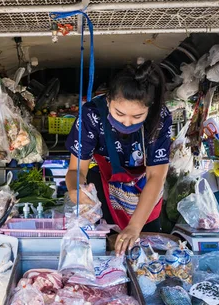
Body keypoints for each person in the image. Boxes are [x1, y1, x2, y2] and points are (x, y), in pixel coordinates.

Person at [64, 61, 172, 255]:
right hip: (107, 185)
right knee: (108, 245)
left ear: (150, 108)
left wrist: (134, 226)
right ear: (108, 101)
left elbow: (156, 176)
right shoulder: (92, 114)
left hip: (146, 188)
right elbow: (76, 170)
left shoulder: (160, 117)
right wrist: (75, 190)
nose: (127, 122)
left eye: (137, 116)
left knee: (146, 251)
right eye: (119, 113)